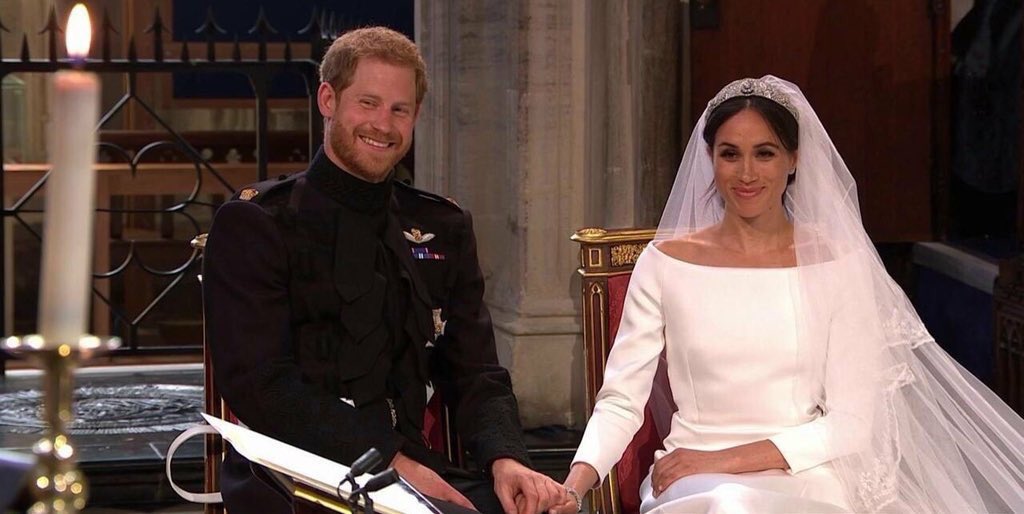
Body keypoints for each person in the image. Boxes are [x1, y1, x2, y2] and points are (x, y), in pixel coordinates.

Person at [551, 76, 1024, 513]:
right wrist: (574, 485)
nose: (746, 173)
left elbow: (854, 421)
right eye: (730, 154)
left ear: (794, 159)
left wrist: (731, 459)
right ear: (710, 158)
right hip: (692, 481)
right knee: (731, 506)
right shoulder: (666, 263)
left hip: (805, 475)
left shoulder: (838, 263)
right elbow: (621, 400)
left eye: (765, 153)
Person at [203, 26, 567, 514]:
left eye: (400, 109)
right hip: (295, 476)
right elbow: (263, 387)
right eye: (368, 104)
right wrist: (389, 461)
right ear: (328, 100)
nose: (384, 124)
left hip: (417, 473)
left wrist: (508, 458)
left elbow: (474, 370)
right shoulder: (258, 223)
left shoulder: (441, 224)